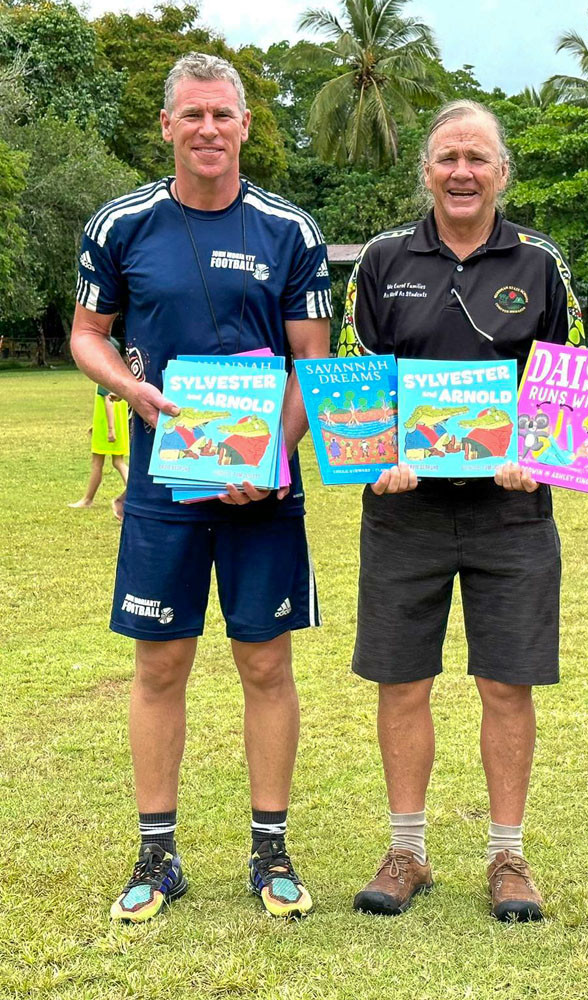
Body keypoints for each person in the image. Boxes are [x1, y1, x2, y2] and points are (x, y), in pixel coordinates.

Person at [70, 52, 332, 922]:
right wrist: (128, 388)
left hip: (265, 491)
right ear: (168, 126)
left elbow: (313, 366)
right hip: (159, 485)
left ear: (247, 125)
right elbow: (87, 334)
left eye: (224, 114)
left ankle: (270, 851)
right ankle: (157, 855)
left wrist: (272, 459)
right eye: (193, 115)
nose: (209, 129)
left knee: (265, 662)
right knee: (161, 665)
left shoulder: (291, 230)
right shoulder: (122, 224)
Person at [338, 99, 583, 922]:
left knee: (505, 684)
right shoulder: (378, 259)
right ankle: (406, 850)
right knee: (402, 681)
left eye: (478, 157)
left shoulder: (541, 263)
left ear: (502, 172)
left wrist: (537, 452)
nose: (462, 172)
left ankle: (507, 856)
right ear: (427, 170)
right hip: (404, 513)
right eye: (447, 157)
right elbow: (352, 377)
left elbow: (575, 381)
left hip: (509, 513)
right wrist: (377, 460)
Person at [68, 352, 130, 519]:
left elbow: (108, 401)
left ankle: (88, 499)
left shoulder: (105, 373)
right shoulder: (121, 372)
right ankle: (132, 493)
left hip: (109, 425)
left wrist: (110, 429)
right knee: (118, 461)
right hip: (118, 423)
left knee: (97, 462)